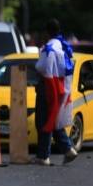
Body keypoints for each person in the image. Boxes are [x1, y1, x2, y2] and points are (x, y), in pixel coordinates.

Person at [34, 19, 78, 166]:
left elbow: (42, 67)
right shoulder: (63, 45)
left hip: (48, 88)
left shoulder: (48, 47)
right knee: (54, 120)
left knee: (44, 121)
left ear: (47, 32)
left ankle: (43, 156)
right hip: (61, 87)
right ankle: (67, 149)